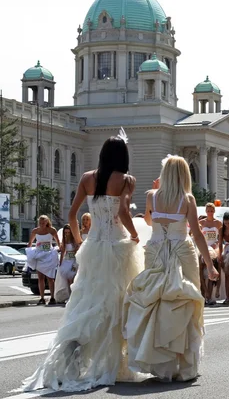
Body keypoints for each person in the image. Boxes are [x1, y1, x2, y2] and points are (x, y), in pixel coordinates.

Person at [19, 134, 145, 392]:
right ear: (123, 156)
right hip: (118, 247)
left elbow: (72, 213)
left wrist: (79, 241)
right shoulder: (125, 180)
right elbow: (122, 213)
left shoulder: (88, 178)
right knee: (117, 303)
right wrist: (134, 234)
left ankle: (68, 362)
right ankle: (113, 361)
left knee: (86, 303)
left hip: (93, 247)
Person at [123, 155, 216, 382]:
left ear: (165, 175)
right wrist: (210, 264)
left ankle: (160, 360)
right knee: (185, 303)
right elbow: (196, 233)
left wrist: (156, 196)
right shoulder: (188, 199)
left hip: (154, 251)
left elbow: (147, 222)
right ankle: (184, 364)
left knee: (155, 303)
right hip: (181, 252)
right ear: (184, 175)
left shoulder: (151, 196)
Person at [25, 215, 60, 305]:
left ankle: (52, 297)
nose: (42, 224)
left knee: (50, 278)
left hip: (49, 255)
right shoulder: (35, 231)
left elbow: (58, 242)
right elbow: (30, 243)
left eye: (43, 223)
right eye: (40, 223)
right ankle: (42, 298)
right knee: (40, 278)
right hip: (39, 255)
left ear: (47, 222)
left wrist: (60, 250)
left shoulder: (52, 230)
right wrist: (29, 254)